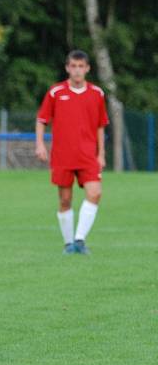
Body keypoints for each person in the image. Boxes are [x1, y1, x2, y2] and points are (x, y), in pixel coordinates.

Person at [36, 49, 109, 255]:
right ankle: (68, 244)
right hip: (63, 155)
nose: (77, 71)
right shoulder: (56, 92)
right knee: (65, 199)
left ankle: (79, 239)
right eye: (73, 66)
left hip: (88, 155)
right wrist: (40, 144)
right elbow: (42, 120)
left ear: (87, 69)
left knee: (95, 193)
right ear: (67, 68)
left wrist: (101, 153)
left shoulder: (97, 93)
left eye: (81, 67)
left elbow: (100, 125)